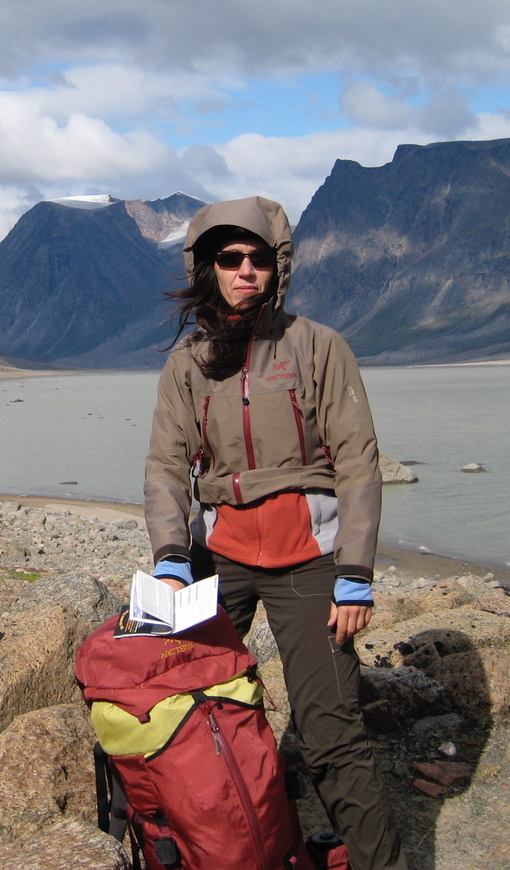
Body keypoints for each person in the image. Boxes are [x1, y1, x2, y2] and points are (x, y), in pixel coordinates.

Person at [144, 195, 406, 870]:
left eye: (260, 258)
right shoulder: (187, 365)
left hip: (312, 562)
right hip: (219, 557)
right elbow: (166, 468)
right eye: (230, 259)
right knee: (180, 707)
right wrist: (172, 557)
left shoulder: (320, 348)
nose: (246, 271)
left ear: (277, 267)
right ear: (207, 268)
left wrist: (356, 573)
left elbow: (358, 461)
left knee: (331, 732)